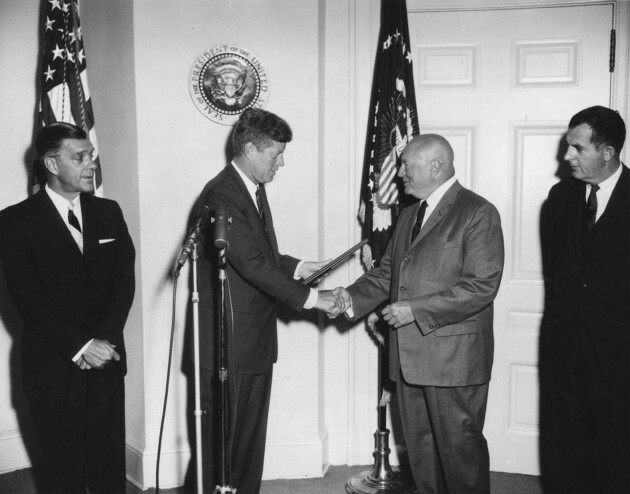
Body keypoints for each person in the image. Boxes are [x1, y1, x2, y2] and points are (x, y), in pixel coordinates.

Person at [331, 134, 504, 494]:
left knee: (461, 458)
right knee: (422, 460)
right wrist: (349, 298)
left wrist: (415, 310)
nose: (400, 175)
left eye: (407, 165)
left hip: (453, 361)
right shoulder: (410, 214)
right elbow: (386, 274)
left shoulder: (477, 212)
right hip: (409, 358)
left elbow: (481, 285)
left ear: (435, 167)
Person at [194, 108, 336, 493]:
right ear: (252, 149)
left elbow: (259, 254)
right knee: (222, 450)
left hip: (250, 342)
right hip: (231, 346)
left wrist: (302, 266)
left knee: (245, 445)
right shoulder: (224, 194)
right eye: (276, 154)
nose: (281, 162)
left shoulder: (249, 189)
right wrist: (314, 299)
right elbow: (251, 264)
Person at [0, 122, 135, 494]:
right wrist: (81, 346)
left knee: (109, 469)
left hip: (106, 359)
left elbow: (123, 283)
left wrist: (103, 341)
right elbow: (28, 297)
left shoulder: (109, 211)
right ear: (52, 164)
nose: (91, 164)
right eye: (80, 157)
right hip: (52, 367)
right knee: (63, 473)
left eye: (91, 155)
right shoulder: (14, 221)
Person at [539, 106, 629, 493]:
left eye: (577, 148)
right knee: (565, 443)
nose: (567, 156)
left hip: (619, 351)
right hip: (566, 344)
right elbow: (558, 275)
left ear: (607, 152)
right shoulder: (559, 198)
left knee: (615, 447)